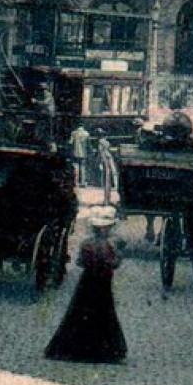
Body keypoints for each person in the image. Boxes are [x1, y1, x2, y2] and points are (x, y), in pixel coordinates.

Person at [45, 205, 127, 364]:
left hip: (87, 282)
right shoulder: (110, 246)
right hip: (103, 283)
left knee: (81, 312)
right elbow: (116, 263)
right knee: (104, 313)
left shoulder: (87, 244)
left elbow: (80, 262)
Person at [69, 123, 91, 188]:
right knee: (83, 168)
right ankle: (83, 183)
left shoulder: (73, 133)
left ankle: (75, 182)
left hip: (75, 153)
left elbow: (70, 142)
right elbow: (89, 144)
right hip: (83, 153)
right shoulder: (86, 133)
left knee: (76, 167)